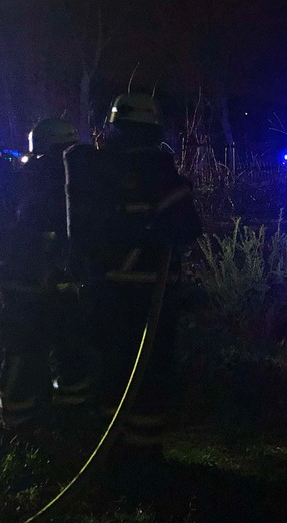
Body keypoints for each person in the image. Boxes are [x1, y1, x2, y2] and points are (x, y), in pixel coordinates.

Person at [64, 92, 201, 459]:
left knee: (113, 367)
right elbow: (187, 229)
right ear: (153, 128)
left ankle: (112, 449)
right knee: (150, 372)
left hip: (105, 287)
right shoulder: (158, 168)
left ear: (115, 127)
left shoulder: (95, 168)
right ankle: (143, 455)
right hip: (150, 291)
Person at [0, 118, 93, 433]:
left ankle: (20, 421)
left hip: (22, 283)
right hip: (52, 282)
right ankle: (66, 416)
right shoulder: (62, 179)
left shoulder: (23, 178)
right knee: (66, 349)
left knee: (26, 352)